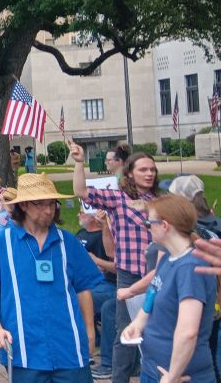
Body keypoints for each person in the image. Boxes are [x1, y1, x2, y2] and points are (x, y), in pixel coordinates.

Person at [0, 173, 102, 382]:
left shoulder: (68, 242)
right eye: (40, 204)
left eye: (52, 204)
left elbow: (83, 288)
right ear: (23, 205)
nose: (48, 210)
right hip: (24, 346)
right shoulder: (1, 242)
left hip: (68, 344)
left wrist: (89, 330)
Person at [71, 142, 160, 383]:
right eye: (143, 169)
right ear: (129, 173)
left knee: (158, 330)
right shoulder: (119, 198)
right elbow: (82, 191)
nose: (149, 173)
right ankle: (120, 378)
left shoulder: (161, 201)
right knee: (125, 332)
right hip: (129, 274)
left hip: (158, 274)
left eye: (152, 169)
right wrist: (79, 163)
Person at [122, 195, 219, 383]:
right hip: (153, 369)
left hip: (179, 376)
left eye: (149, 223)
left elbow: (188, 331)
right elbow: (152, 294)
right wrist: (137, 324)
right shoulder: (167, 258)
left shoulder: (190, 267)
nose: (147, 228)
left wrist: (173, 376)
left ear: (164, 226)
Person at [77, 210, 117, 380]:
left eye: (82, 212)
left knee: (85, 299)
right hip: (97, 281)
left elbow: (113, 263)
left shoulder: (107, 236)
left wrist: (96, 261)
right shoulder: (81, 233)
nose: (78, 215)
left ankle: (89, 351)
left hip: (110, 284)